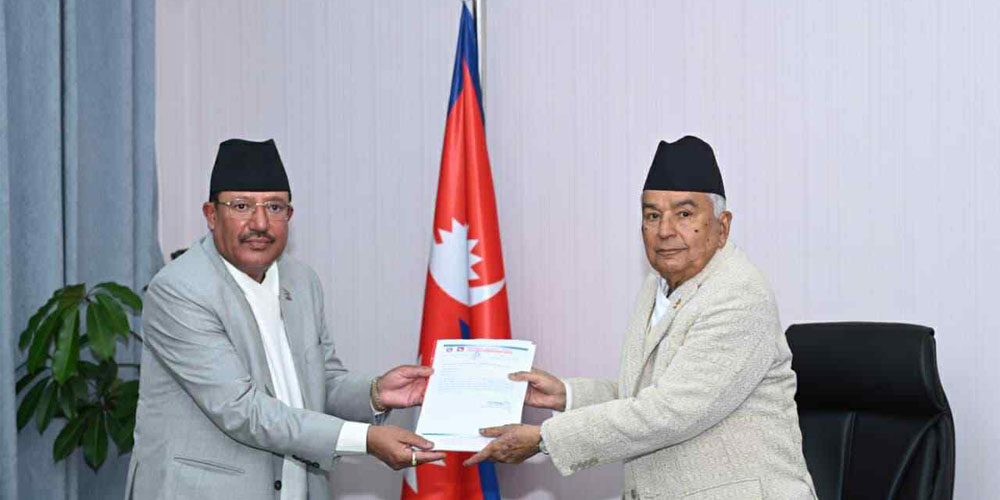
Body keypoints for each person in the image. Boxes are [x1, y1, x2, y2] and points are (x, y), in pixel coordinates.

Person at [465, 136, 817, 499]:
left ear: (722, 227)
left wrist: (545, 439)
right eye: (652, 215)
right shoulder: (659, 284)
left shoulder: (738, 294)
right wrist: (565, 395)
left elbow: (669, 412)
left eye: (684, 214)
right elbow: (644, 396)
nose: (665, 231)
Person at [125, 139, 445, 500]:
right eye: (241, 206)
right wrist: (365, 439)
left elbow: (321, 382)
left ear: (289, 215)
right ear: (211, 216)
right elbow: (242, 410)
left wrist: (376, 393)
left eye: (274, 207)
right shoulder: (180, 289)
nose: (260, 223)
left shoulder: (301, 281)